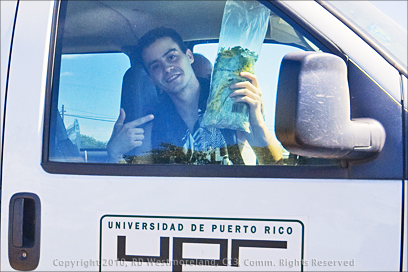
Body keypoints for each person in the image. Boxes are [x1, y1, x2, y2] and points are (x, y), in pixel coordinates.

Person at [107, 27, 282, 164]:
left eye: (172, 57)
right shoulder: (151, 126)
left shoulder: (230, 103)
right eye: (155, 66)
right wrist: (115, 153)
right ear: (152, 79)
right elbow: (140, 189)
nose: (167, 68)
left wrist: (257, 122)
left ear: (189, 56)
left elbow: (274, 164)